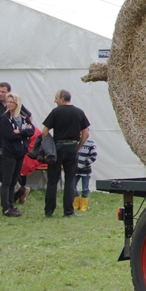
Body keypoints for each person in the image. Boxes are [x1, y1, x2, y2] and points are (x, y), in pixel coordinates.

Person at [40, 89, 91, 218]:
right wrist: (78, 146)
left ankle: (49, 211)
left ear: (62, 99)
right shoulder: (79, 112)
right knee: (70, 180)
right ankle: (68, 211)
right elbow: (86, 133)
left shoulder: (56, 112)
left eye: (56, 98)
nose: (55, 100)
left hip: (58, 148)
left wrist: (48, 147)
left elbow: (44, 131)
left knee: (52, 180)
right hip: (72, 147)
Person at [0, 92, 34, 217]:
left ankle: (11, 204)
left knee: (14, 180)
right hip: (10, 152)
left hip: (20, 152)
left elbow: (31, 130)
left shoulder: (23, 116)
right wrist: (23, 132)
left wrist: (20, 131)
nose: (8, 104)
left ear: (17, 103)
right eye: (7, 102)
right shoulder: (4, 118)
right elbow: (9, 135)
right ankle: (5, 208)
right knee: (7, 181)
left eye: (11, 102)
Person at [73, 137, 97, 212]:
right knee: (72, 186)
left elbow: (94, 156)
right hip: (75, 170)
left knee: (85, 189)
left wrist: (85, 163)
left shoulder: (91, 143)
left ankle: (83, 206)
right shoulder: (75, 141)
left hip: (86, 170)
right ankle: (76, 204)